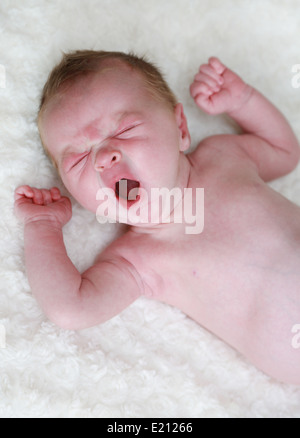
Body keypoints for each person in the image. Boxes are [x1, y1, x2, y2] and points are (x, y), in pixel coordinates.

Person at [14, 51, 300, 384]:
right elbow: (70, 309)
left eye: (124, 130)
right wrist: (42, 227)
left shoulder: (224, 156)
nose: (104, 157)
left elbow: (284, 152)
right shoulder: (135, 261)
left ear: (180, 128)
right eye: (78, 159)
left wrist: (242, 100)